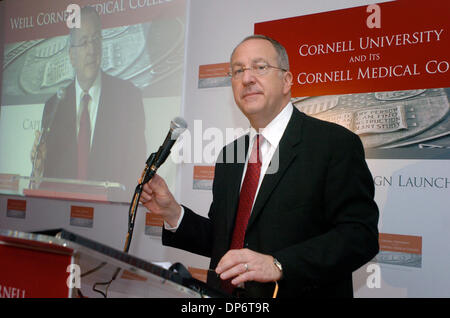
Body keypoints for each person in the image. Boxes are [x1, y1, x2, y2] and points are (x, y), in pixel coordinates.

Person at [140, 35, 379, 297]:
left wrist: (279, 264)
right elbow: (226, 242)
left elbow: (360, 236)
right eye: (238, 70)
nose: (247, 78)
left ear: (287, 81)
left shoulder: (334, 144)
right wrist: (173, 213)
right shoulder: (230, 154)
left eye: (260, 67)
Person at [34, 6, 146, 201]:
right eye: (84, 42)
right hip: (62, 218)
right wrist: (39, 169)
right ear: (71, 55)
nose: (92, 50)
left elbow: (136, 170)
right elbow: (49, 180)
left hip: (109, 221)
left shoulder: (128, 98)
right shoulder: (54, 106)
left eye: (96, 40)